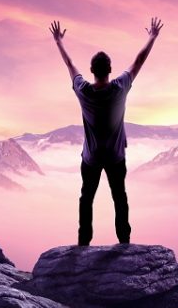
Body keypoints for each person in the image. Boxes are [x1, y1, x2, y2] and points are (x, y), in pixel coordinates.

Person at [49, 17, 163, 245]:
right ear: (110, 70)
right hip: (115, 156)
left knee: (86, 198)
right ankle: (124, 241)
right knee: (119, 197)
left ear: (91, 70)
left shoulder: (83, 90)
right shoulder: (120, 88)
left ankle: (83, 243)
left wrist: (59, 42)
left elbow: (70, 66)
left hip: (91, 157)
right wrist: (152, 37)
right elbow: (138, 61)